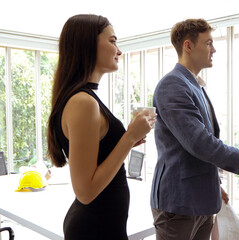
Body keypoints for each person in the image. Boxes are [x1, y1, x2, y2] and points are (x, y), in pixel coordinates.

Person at [150, 18, 239, 240]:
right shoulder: (173, 85)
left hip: (200, 198)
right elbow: (199, 142)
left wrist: (213, 185)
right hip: (178, 202)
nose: (213, 49)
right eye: (208, 43)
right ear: (188, 46)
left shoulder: (195, 84)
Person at [47, 14, 156, 239]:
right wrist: (128, 139)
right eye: (113, 41)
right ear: (88, 44)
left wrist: (130, 138)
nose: (119, 50)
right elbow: (86, 192)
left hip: (100, 225)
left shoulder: (83, 99)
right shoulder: (83, 102)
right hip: (95, 228)